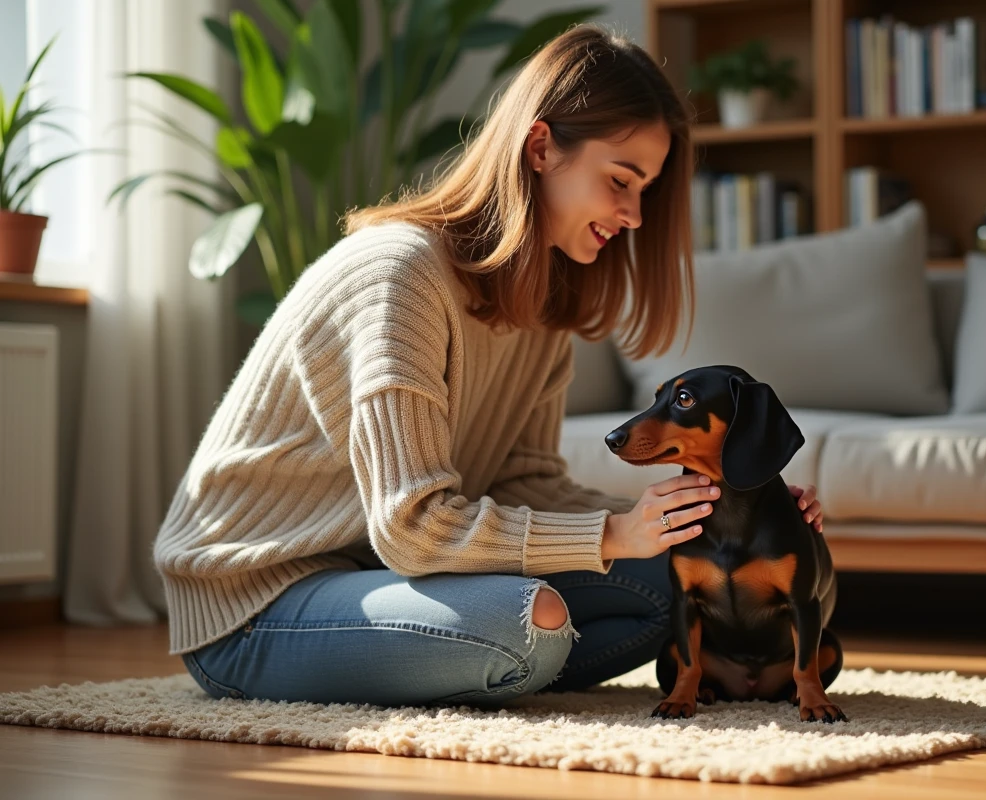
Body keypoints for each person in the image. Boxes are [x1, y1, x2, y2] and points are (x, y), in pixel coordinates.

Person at [155, 24, 824, 709]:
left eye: (644, 192)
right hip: (257, 602)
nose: (632, 215)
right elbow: (412, 528)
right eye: (620, 181)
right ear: (541, 148)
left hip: (381, 573)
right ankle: (498, 651)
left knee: (693, 580)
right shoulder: (399, 275)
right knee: (528, 622)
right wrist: (611, 535)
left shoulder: (543, 306)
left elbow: (525, 482)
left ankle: (481, 655)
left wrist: (726, 511)